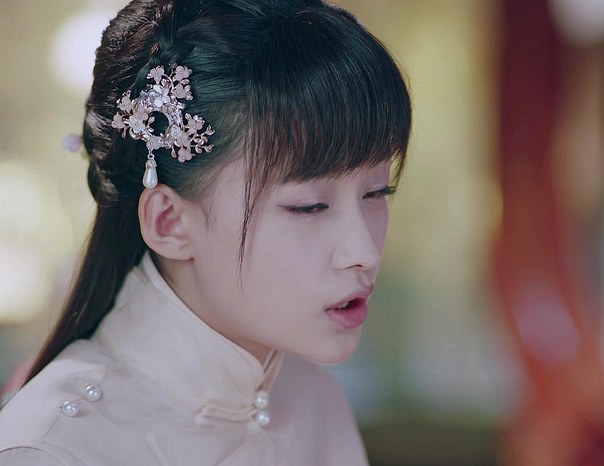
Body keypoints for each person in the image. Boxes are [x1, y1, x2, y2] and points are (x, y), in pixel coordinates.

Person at [0, 0, 411, 463]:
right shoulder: (53, 450)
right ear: (170, 222)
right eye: (309, 206)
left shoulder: (312, 400)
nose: (364, 252)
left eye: (377, 192)